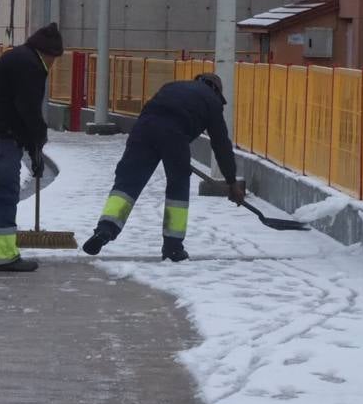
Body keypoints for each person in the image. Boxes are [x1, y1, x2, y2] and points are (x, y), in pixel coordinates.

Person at [81, 72, 244, 262]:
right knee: (178, 186)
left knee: (127, 184)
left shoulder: (172, 86)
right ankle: (173, 248)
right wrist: (232, 182)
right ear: (216, 90)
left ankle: (105, 229)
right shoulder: (212, 101)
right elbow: (221, 144)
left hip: (143, 129)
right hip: (175, 135)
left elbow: (150, 112)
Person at [0, 22, 64, 272]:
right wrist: (38, 142)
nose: (53, 65)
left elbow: (18, 112)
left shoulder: (18, 57)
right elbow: (28, 111)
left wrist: (33, 148)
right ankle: (3, 255)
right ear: (48, 54)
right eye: (54, 60)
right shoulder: (32, 66)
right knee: (2, 191)